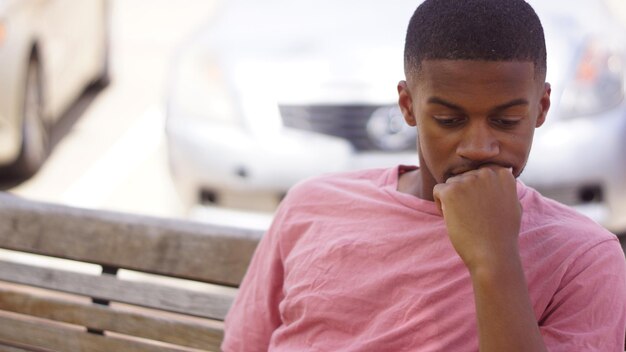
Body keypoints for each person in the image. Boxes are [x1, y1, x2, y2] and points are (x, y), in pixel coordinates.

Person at [222, 0, 626, 350]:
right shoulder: (311, 206)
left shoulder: (583, 259)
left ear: (541, 108)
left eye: (506, 120)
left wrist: (494, 257)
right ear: (408, 105)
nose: (479, 147)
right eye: (449, 119)